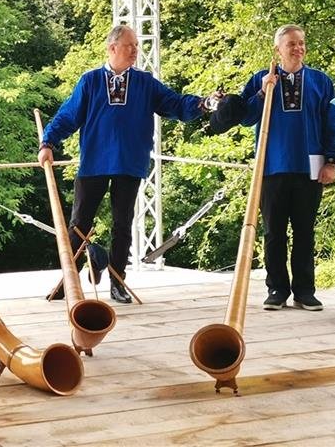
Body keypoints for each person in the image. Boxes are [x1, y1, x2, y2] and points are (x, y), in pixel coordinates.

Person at [38, 25, 216, 303]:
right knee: (78, 224)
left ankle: (117, 282)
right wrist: (47, 143)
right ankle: (69, 281)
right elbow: (68, 115)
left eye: (136, 45)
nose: (135, 50)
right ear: (112, 48)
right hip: (95, 161)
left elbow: (175, 104)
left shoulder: (145, 83)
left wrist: (204, 103)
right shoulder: (91, 81)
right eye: (130, 45)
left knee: (123, 224)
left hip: (130, 162)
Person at [239, 24, 335, 312]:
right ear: (278, 49)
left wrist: (332, 161)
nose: (297, 48)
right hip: (271, 166)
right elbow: (245, 117)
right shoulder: (261, 78)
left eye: (301, 43)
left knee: (305, 231)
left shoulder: (323, 81)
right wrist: (261, 93)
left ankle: (305, 291)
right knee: (274, 232)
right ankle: (276, 289)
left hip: (310, 166)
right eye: (291, 44)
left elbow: (333, 122)